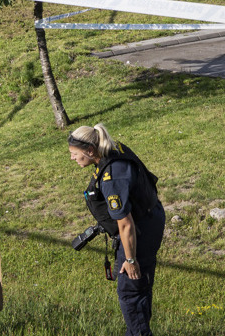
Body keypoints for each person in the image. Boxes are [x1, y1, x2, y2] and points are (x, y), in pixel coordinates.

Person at [68, 123, 165, 336]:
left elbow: (125, 223)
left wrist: (130, 260)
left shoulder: (112, 177)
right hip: (149, 216)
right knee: (139, 286)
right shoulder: (111, 150)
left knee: (130, 290)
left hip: (139, 229)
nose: (72, 158)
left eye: (75, 154)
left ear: (90, 151)